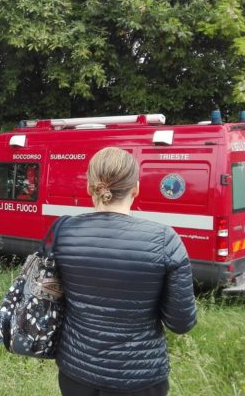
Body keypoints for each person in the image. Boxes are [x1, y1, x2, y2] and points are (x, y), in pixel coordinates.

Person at [52, 147, 197, 396]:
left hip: (76, 374)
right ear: (136, 188)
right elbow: (181, 322)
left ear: (90, 188)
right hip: (139, 380)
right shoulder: (164, 239)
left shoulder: (63, 232)